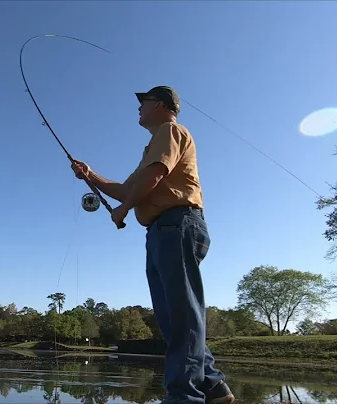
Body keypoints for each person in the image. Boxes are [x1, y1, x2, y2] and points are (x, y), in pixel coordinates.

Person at [71, 86, 235, 404]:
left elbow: (154, 177)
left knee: (181, 315)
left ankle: (183, 397)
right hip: (163, 231)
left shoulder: (170, 131)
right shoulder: (152, 148)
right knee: (173, 318)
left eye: (142, 102)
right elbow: (128, 188)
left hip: (178, 225)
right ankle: (213, 386)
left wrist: (123, 209)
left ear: (159, 105)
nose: (138, 108)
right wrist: (90, 176)